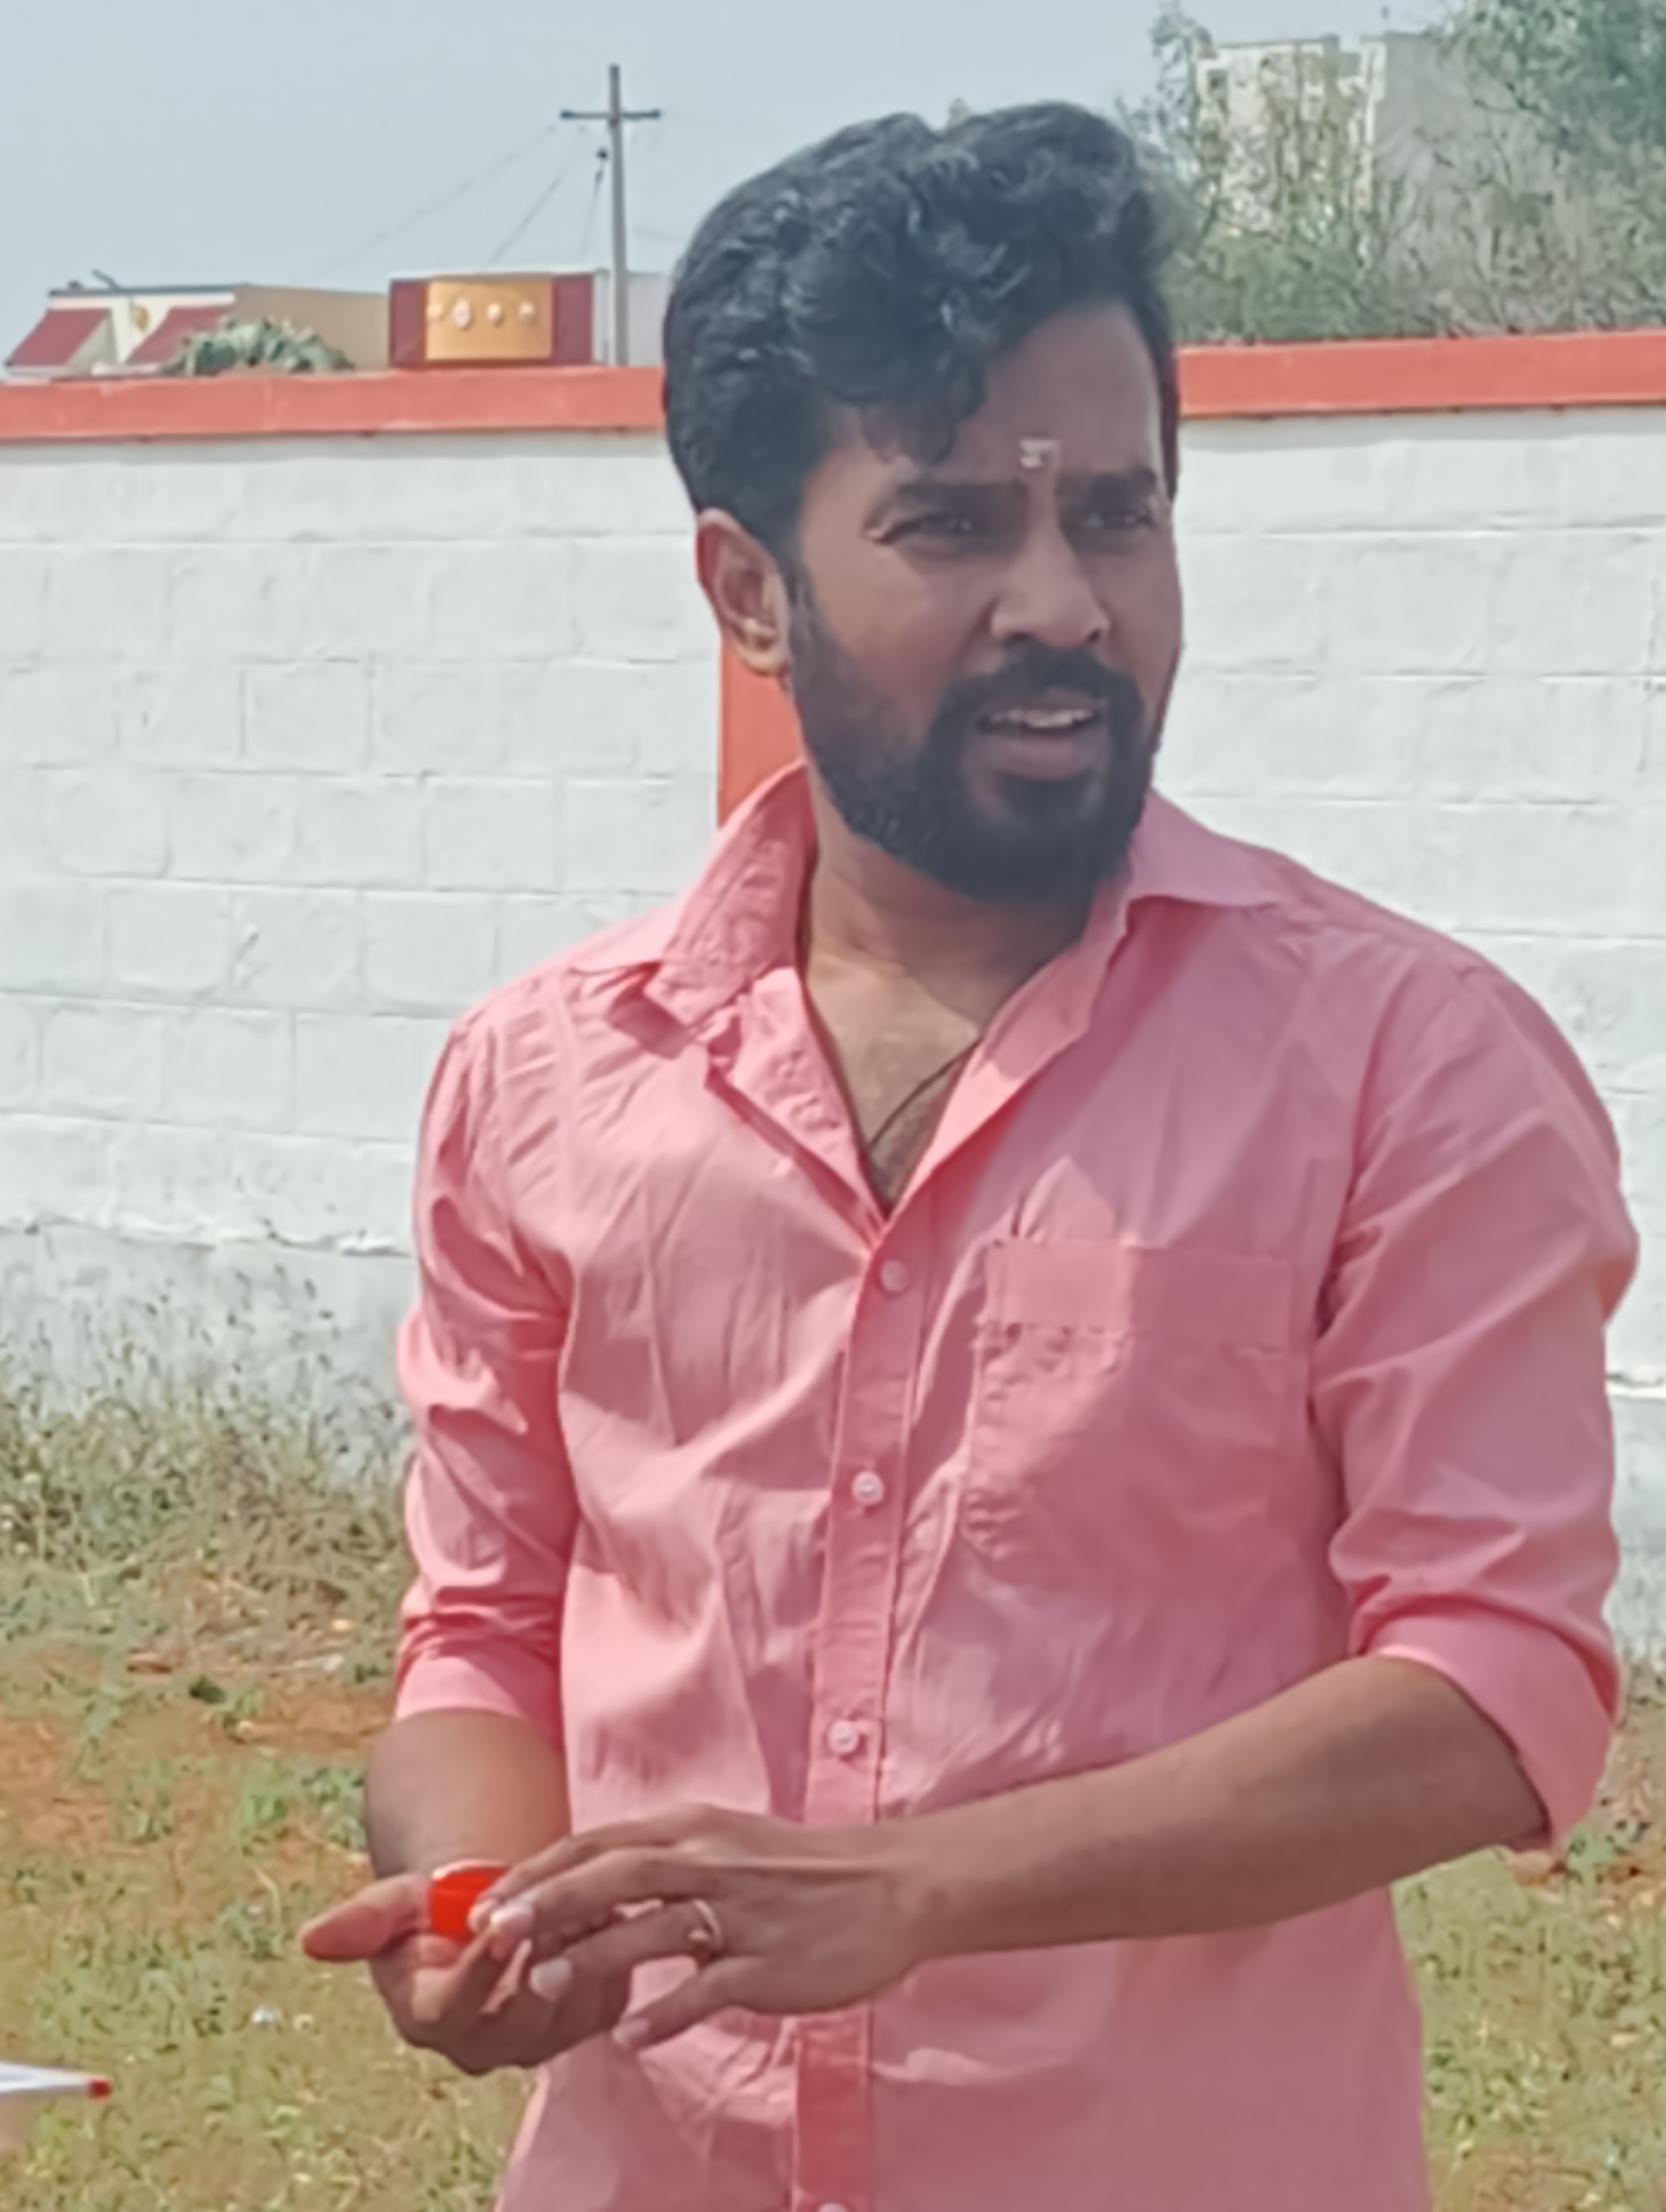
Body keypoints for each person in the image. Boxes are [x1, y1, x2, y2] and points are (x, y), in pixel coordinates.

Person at [303, 102, 1637, 2212]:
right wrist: (484, 1908)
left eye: (1117, 515)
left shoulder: (1407, 1063)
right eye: (949, 526)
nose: (1064, 605)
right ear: (748, 591)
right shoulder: (549, 1079)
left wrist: (917, 1889)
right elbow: (483, 1627)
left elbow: (1496, 1687)